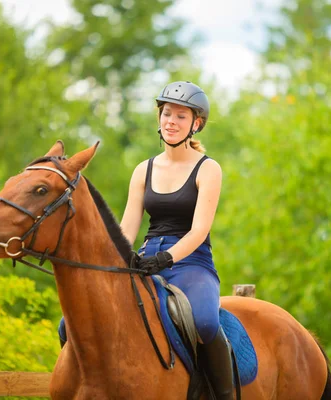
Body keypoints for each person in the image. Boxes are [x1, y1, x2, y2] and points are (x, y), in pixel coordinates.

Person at [120, 81, 233, 399]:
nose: (171, 121)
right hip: (144, 258)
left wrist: (166, 258)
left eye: (180, 116)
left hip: (191, 261)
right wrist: (118, 256)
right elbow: (128, 227)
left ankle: (221, 395)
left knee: (206, 322)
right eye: (166, 113)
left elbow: (199, 231)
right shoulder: (143, 169)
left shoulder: (208, 169)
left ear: (196, 124)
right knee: (72, 323)